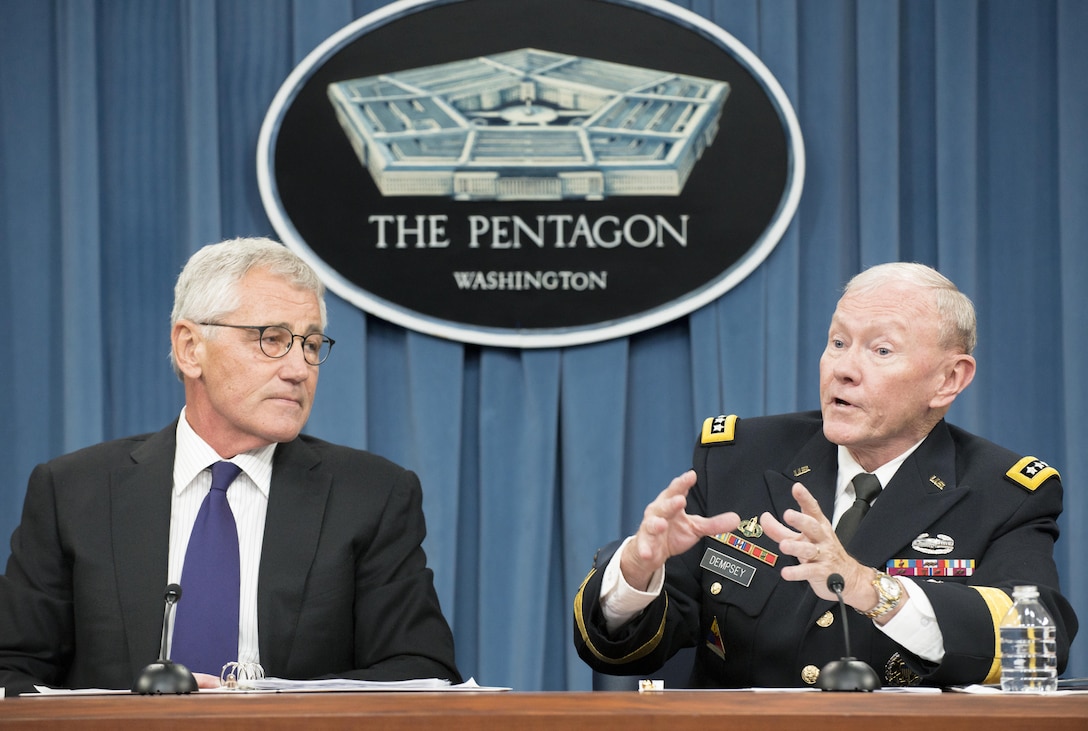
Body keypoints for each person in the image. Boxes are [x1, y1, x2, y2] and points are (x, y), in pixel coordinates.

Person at [574, 262, 1078, 688]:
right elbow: (623, 651)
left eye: (881, 350)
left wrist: (871, 589)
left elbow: (1037, 646)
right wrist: (637, 572)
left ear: (949, 379)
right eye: (838, 342)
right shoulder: (739, 458)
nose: (844, 369)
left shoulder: (1002, 492)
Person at [0, 237, 461, 695]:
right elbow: (11, 669)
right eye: (273, 339)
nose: (300, 368)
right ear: (190, 348)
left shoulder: (371, 495)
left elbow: (421, 670)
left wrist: (264, 706)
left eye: (312, 344)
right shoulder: (74, 492)